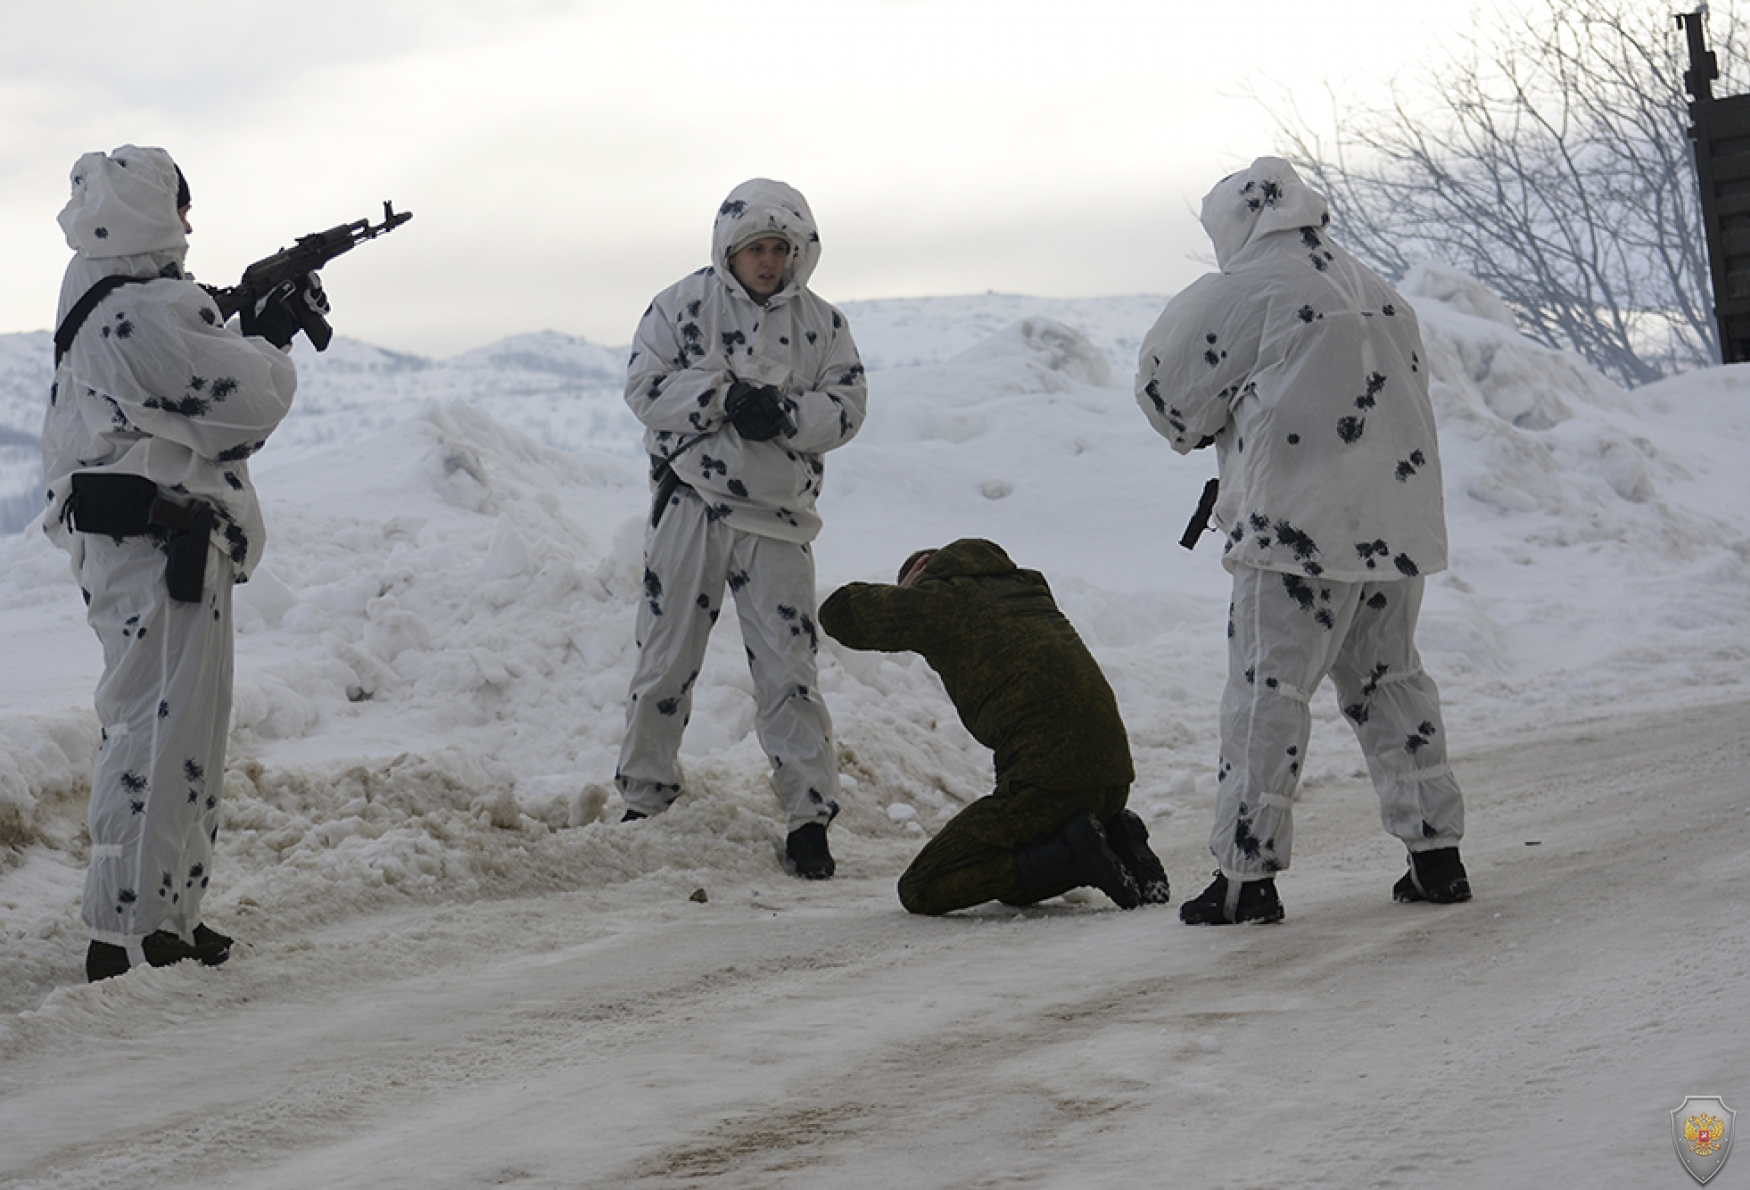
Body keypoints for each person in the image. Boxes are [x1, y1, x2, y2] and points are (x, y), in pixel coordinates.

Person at [1134, 157, 1470, 925]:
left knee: (1267, 694)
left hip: (1295, 533)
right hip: (1393, 529)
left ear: (1235, 222)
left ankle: (1244, 879)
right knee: (1391, 683)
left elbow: (1169, 399)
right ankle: (1436, 856)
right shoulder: (1380, 290)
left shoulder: (1245, 288)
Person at [44, 145, 315, 979]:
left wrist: (237, 323)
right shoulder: (142, 309)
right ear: (153, 210)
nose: (191, 225)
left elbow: (176, 395)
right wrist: (266, 335)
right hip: (156, 547)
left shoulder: (110, 291)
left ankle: (165, 915)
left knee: (181, 736)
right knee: (153, 738)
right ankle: (125, 933)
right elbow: (240, 406)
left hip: (161, 546)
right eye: (181, 207)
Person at [615, 178, 867, 878]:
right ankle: (644, 797)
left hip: (779, 520)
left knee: (790, 672)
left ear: (798, 252)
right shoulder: (679, 306)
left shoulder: (823, 326)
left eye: (779, 248)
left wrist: (784, 416)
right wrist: (722, 399)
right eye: (755, 247)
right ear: (731, 247)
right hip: (691, 503)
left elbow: (846, 407)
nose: (767, 261)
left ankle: (809, 817)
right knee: (665, 656)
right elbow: (643, 389)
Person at [818, 538, 1171, 914]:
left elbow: (839, 612)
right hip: (1114, 778)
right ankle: (1111, 838)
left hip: (1050, 784)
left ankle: (1077, 855)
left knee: (924, 887)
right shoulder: (1027, 587)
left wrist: (909, 593)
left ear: (924, 567)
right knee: (1016, 879)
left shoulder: (942, 600)